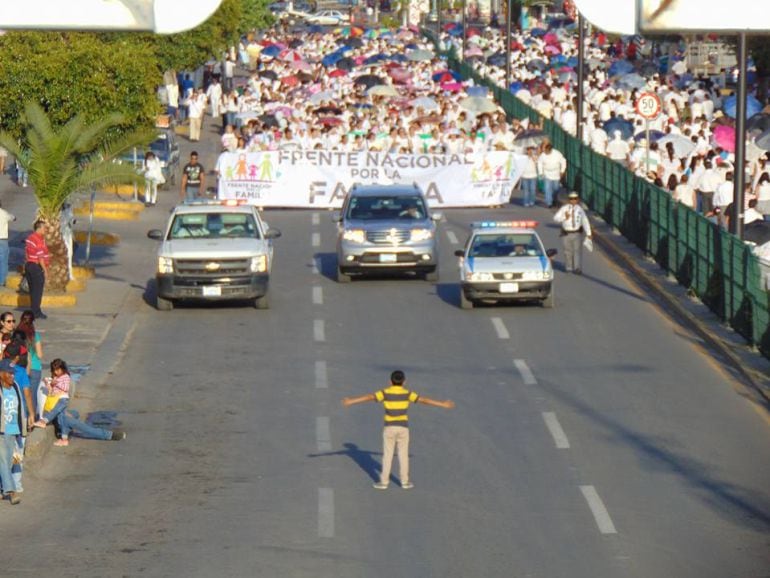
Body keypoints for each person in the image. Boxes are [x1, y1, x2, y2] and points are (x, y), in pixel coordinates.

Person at [342, 370, 454, 490]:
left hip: (389, 428)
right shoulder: (407, 393)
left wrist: (351, 401)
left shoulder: (385, 392)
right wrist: (443, 404)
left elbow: (370, 397)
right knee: (403, 455)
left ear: (390, 381)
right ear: (404, 382)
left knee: (387, 455)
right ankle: (405, 482)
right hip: (403, 428)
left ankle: (384, 482)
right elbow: (424, 400)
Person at [0, 358, 27, 504]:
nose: (12, 376)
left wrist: (23, 429)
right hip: (1, 431)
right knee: (4, 461)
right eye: (9, 373)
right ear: (1, 373)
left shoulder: (15, 386)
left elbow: (21, 407)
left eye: (13, 373)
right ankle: (11, 491)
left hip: (13, 430)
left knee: (9, 462)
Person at [554, 191, 593, 274]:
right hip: (566, 233)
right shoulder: (564, 208)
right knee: (567, 250)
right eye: (571, 199)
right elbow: (556, 218)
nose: (573, 201)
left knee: (577, 250)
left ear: (577, 200)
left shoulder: (580, 210)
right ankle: (569, 267)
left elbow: (585, 221)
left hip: (576, 232)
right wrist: (564, 217)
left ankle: (577, 267)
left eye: (575, 199)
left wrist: (589, 233)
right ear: (569, 200)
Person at [34, 358, 70, 444]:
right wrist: (48, 384)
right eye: (54, 370)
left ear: (63, 369)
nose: (56, 372)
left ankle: (44, 421)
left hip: (62, 398)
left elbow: (66, 388)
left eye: (58, 370)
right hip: (56, 399)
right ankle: (64, 439)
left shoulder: (65, 377)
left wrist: (56, 383)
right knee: (62, 419)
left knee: (54, 411)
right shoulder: (56, 377)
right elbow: (51, 391)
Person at [17, 311, 42, 417]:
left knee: (22, 394)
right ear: (33, 321)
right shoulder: (35, 335)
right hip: (35, 367)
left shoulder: (17, 335)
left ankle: (23, 418)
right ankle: (31, 420)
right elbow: (40, 355)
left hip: (21, 367)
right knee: (33, 395)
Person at [24, 220, 50, 320]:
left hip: (29, 265)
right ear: (38, 228)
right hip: (36, 267)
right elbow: (40, 258)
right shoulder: (38, 240)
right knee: (37, 291)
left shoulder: (30, 238)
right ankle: (36, 312)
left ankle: (34, 310)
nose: (46, 230)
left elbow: (26, 252)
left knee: (32, 290)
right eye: (44, 228)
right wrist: (45, 271)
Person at [537, 142, 567, 207]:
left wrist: (562, 171)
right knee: (547, 188)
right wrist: (541, 173)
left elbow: (563, 161)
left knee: (555, 189)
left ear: (550, 150)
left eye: (547, 151)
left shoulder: (557, 154)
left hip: (556, 174)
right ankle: (549, 202)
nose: (546, 152)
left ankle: (554, 199)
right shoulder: (543, 155)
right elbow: (539, 163)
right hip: (547, 174)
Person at [0, 201, 16, 287]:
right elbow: (13, 218)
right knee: (3, 261)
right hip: (2, 240)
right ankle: (2, 282)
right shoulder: (4, 213)